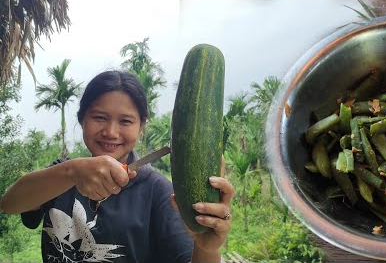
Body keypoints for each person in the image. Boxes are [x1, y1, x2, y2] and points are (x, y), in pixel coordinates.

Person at [0, 70, 233, 263]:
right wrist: (72, 171)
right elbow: (9, 203)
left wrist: (208, 249)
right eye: (100, 117)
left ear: (141, 126)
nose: (111, 132)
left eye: (125, 121)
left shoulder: (159, 192)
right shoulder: (62, 174)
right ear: (82, 120)